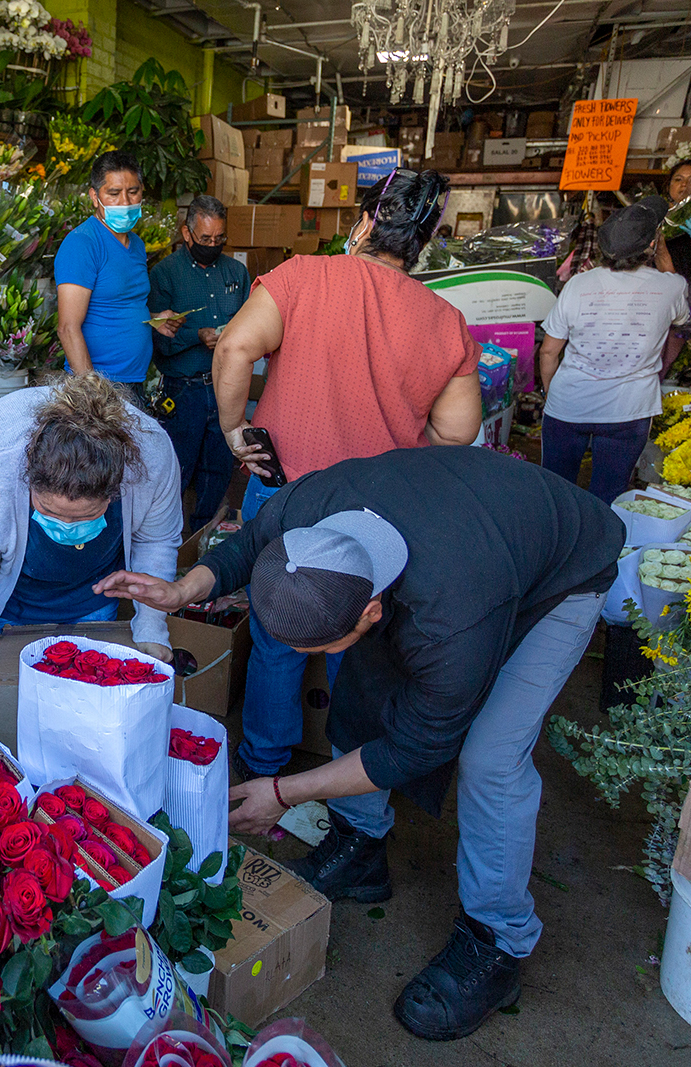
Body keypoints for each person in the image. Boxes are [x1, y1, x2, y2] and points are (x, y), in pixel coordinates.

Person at [95, 446, 625, 1042]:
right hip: (463, 522)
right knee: (365, 686)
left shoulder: (452, 619)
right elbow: (250, 543)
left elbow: (420, 746)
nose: (302, 660)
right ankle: (362, 847)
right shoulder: (311, 506)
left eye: (313, 648)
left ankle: (497, 941)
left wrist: (284, 791)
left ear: (374, 608)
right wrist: (182, 588)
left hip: (560, 571)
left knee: (490, 759)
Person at [209, 168, 484, 782]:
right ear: (427, 239)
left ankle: (262, 767)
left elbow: (233, 349)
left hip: (285, 489)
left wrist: (235, 433)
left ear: (364, 222)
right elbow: (457, 434)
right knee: (357, 643)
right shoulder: (444, 320)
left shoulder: (303, 276)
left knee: (276, 634)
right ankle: (344, 787)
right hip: (377, 512)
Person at [0, 373, 182, 690]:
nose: (66, 527)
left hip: (94, 599)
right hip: (8, 602)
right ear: (29, 479)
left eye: (87, 516)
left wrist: (151, 628)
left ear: (114, 491)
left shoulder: (152, 456)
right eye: (50, 512)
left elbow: (156, 540)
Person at [538, 196, 688, 505]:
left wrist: (552, 393)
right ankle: (600, 550)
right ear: (649, 244)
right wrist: (660, 248)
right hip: (629, 410)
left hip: (569, 404)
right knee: (609, 495)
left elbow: (549, 352)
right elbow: (679, 315)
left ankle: (553, 549)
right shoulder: (671, 287)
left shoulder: (578, 285)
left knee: (555, 491)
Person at [146, 195, 249, 534]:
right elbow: (158, 337)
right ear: (186, 233)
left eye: (220, 239)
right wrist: (196, 335)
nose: (213, 245)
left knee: (218, 471)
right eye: (205, 239)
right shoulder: (164, 274)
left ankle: (201, 544)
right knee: (175, 472)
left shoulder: (236, 272)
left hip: (225, 388)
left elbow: (252, 324)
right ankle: (166, 546)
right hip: (184, 390)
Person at [55, 150, 180, 385]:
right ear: (94, 196)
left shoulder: (137, 244)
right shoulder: (82, 244)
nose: (125, 202)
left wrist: (155, 319)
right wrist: (92, 392)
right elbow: (67, 328)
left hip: (133, 382)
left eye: (133, 192)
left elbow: (121, 304)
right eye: (114, 193)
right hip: (100, 387)